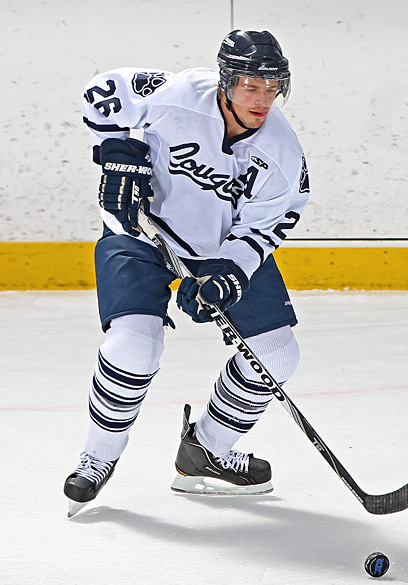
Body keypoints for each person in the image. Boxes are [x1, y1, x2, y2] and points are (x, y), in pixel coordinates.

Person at [64, 30, 311, 516]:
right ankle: (97, 458)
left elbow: (269, 224)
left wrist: (230, 272)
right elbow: (102, 91)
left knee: (277, 352)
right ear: (224, 81)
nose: (262, 99)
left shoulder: (283, 155)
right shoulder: (177, 95)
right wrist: (115, 148)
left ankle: (208, 452)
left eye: (271, 87)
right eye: (250, 86)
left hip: (216, 246)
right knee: (134, 346)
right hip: (139, 232)